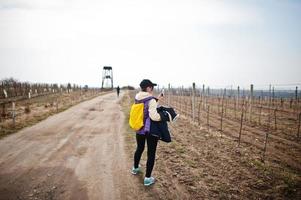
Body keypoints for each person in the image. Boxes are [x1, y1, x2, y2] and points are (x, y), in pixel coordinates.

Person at [131, 79, 163, 186]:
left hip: (139, 128)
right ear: (148, 88)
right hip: (150, 130)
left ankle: (135, 168)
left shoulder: (137, 97)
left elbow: (144, 107)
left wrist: (156, 100)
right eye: (152, 88)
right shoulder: (151, 100)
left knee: (139, 148)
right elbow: (153, 116)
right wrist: (163, 117)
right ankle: (148, 178)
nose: (153, 90)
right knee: (151, 153)